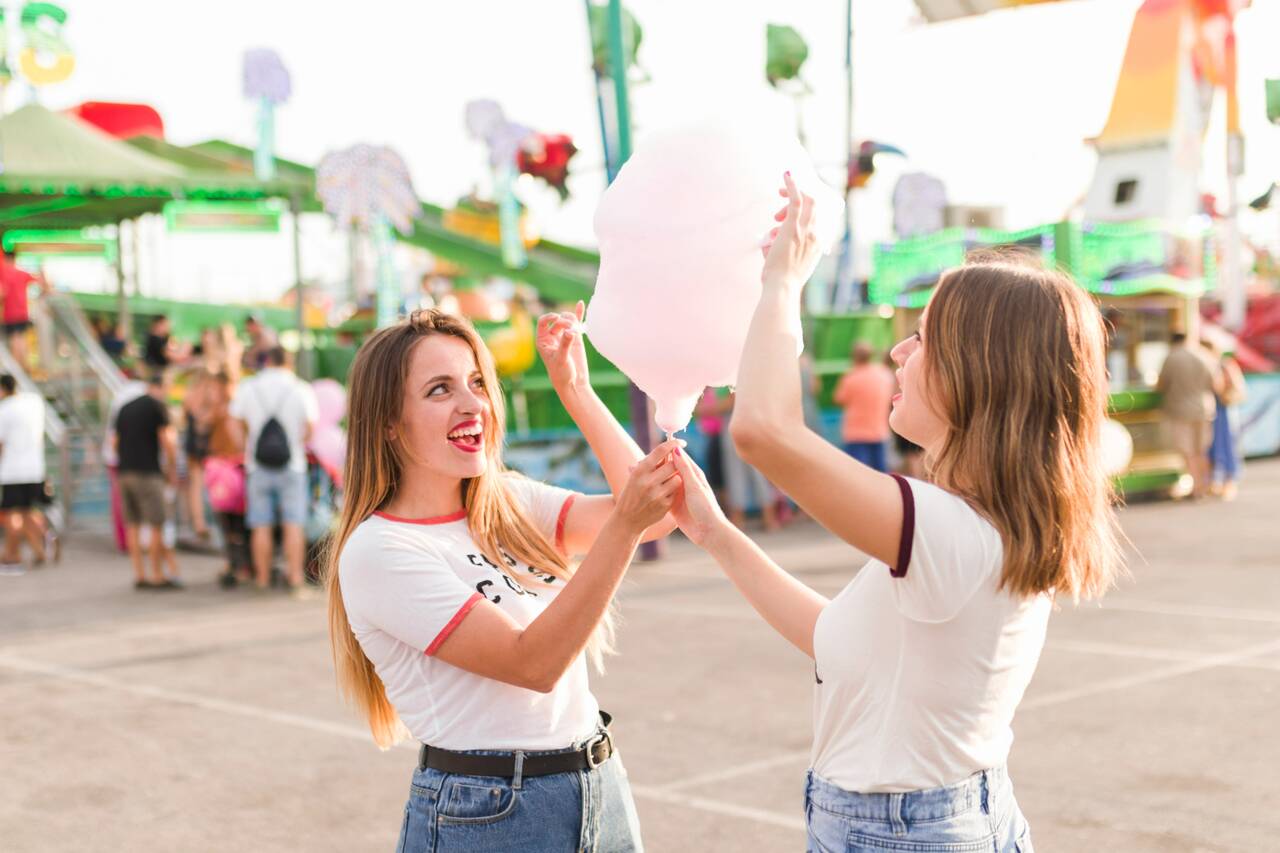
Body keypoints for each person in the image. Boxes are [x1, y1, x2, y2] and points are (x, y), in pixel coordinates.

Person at [668, 173, 1123, 852]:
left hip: (902, 831)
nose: (898, 353)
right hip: (941, 815)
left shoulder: (948, 531)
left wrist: (783, 280)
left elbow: (763, 428)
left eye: (921, 338)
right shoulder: (974, 527)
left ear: (978, 372)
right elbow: (834, 638)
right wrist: (715, 533)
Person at [326, 307, 682, 852]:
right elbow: (531, 663)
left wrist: (577, 389)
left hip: (598, 784)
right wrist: (625, 527)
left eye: (476, 383)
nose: (474, 404)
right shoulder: (380, 550)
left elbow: (660, 512)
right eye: (440, 390)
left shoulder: (508, 501)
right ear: (389, 424)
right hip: (490, 812)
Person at [230, 346, 317, 592]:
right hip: (293, 464)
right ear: (289, 363)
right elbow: (310, 428)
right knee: (293, 523)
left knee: (260, 523)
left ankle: (262, 579)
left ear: (267, 361)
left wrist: (247, 446)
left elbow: (235, 422)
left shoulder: (249, 387)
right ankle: (295, 580)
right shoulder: (301, 389)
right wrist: (295, 444)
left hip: (257, 464)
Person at [114, 372, 181, 590]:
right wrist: (171, 469)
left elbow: (114, 442)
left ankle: (140, 574)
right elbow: (167, 441)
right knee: (156, 525)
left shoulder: (124, 408)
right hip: (148, 472)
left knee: (133, 526)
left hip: (124, 472)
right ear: (161, 386)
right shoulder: (156, 407)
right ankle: (157, 575)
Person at [1156, 331, 1217, 498]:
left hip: (1180, 409)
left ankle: (1196, 487)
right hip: (1205, 408)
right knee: (1201, 450)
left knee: (1188, 450)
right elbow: (1216, 383)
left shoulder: (1172, 357)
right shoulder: (1205, 355)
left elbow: (1161, 385)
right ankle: (1206, 484)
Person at [0, 374, 50, 574]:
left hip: (13, 471)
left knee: (13, 514)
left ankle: (13, 556)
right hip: (35, 468)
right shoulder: (34, 403)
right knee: (28, 511)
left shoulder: (4, 410)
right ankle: (42, 550)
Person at [833, 341, 895, 472]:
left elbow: (839, 399)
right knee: (882, 472)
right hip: (879, 430)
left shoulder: (850, 377)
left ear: (854, 356)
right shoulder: (884, 375)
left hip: (856, 432)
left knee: (857, 473)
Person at [1203, 341, 1247, 501]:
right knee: (1213, 446)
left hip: (1225, 408)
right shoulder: (1211, 366)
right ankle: (1216, 482)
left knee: (1228, 444)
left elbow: (1229, 386)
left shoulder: (1224, 365)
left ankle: (1230, 481)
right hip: (1214, 410)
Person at [0, 248, 42, 372]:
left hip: (10, 313)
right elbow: (38, 280)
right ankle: (24, 368)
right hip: (23, 313)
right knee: (21, 340)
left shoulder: (3, 273)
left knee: (14, 341)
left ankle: (16, 370)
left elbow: (2, 292)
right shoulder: (21, 273)